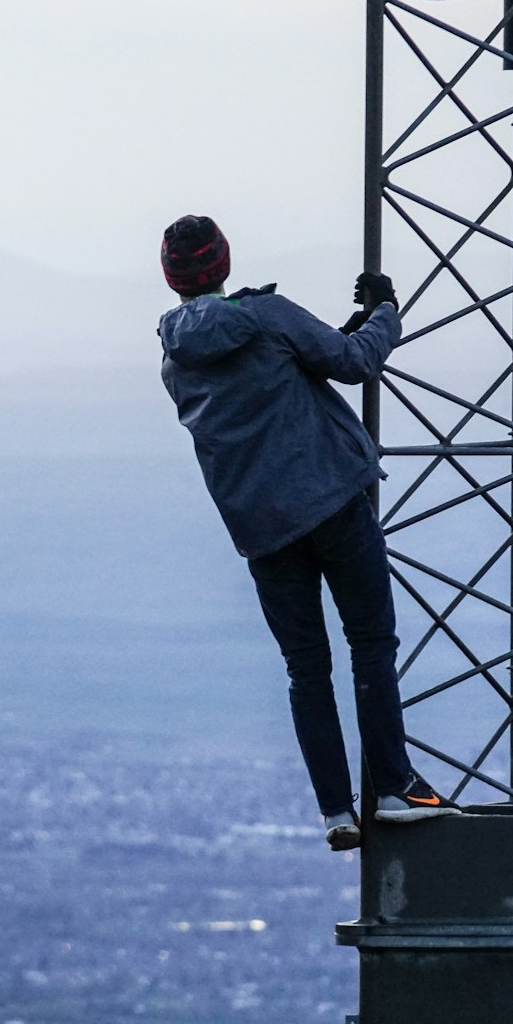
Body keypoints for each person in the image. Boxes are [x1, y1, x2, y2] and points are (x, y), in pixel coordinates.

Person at [155, 215, 458, 851]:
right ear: (225, 262)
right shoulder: (267, 313)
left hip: (263, 531)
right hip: (334, 504)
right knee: (371, 643)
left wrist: (331, 336)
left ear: (172, 278)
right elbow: (352, 364)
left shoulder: (174, 359)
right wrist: (385, 312)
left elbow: (269, 383)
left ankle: (336, 811)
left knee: (306, 667)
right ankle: (397, 788)